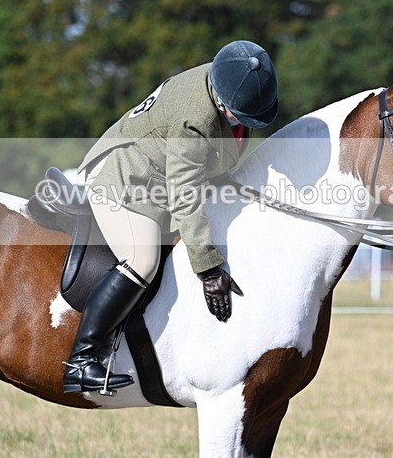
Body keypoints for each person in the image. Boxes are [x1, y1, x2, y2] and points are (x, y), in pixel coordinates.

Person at [62, 40, 279, 394]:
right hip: (123, 177)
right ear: (221, 100)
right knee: (142, 259)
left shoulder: (229, 74)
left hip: (155, 176)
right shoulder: (195, 116)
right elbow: (184, 192)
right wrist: (208, 269)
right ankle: (81, 360)